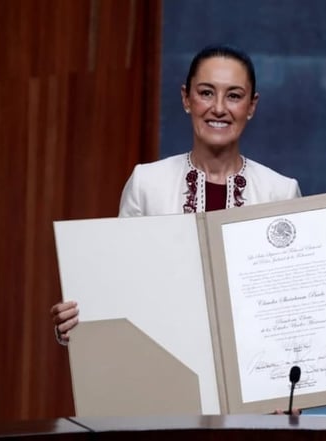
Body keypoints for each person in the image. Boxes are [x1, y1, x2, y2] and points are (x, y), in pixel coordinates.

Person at [51, 44, 301, 344]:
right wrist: (78, 324)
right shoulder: (147, 183)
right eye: (206, 92)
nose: (219, 107)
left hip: (253, 369)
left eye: (234, 95)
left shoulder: (281, 191)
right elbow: (118, 283)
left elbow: (293, 305)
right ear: (186, 98)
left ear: (251, 106)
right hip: (164, 365)